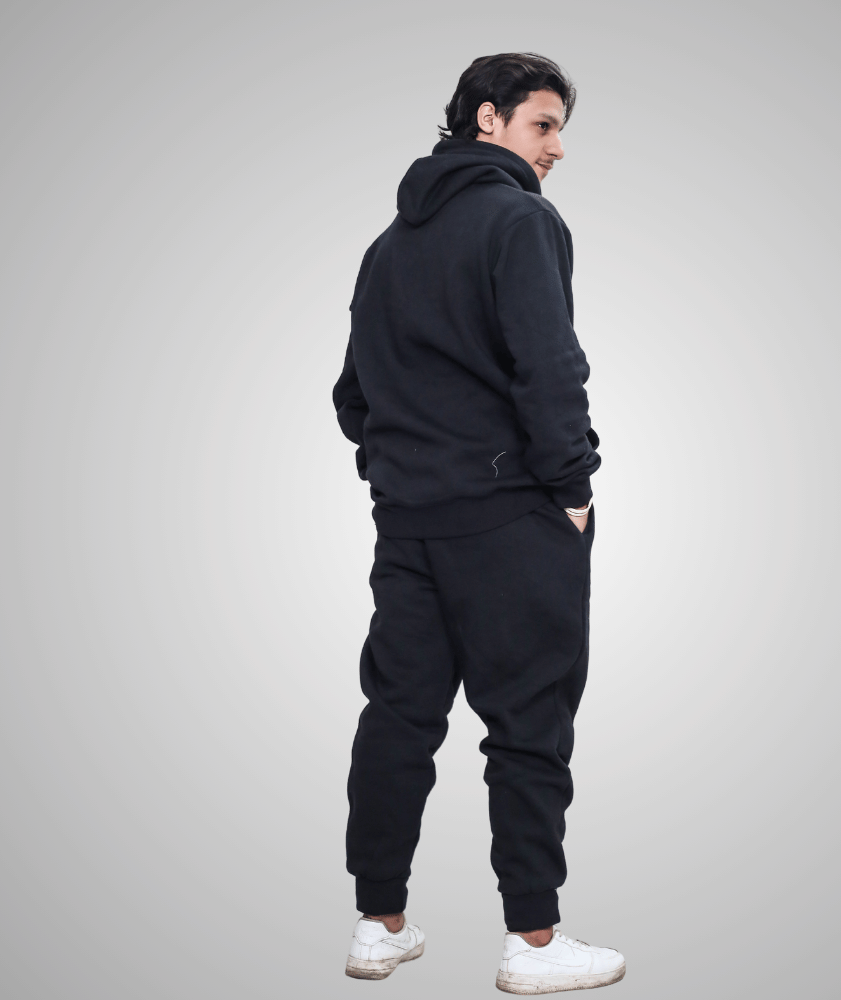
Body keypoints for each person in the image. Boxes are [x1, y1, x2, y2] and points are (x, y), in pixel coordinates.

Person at [332, 52, 625, 994]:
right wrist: (571, 488)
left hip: (409, 522)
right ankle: (533, 945)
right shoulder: (521, 220)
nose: (557, 148)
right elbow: (550, 366)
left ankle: (378, 926)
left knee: (399, 716)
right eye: (545, 125)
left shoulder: (388, 244)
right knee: (529, 725)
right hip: (510, 519)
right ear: (488, 119)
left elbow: (352, 395)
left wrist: (403, 469)